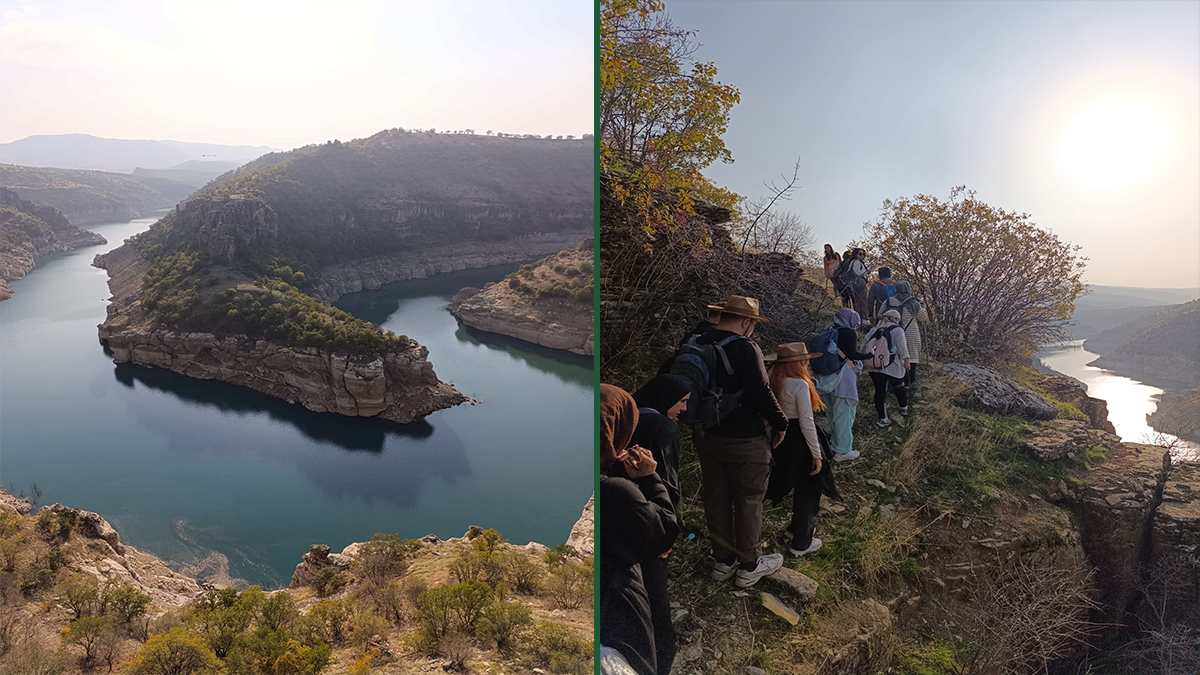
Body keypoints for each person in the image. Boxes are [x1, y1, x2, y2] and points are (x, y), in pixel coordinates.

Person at [690, 295, 788, 588]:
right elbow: (761, 390)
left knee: (716, 497)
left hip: (706, 434)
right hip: (745, 439)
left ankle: (723, 561)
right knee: (748, 499)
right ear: (747, 322)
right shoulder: (745, 347)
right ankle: (749, 565)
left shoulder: (698, 340)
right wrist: (781, 422)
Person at [600, 384, 680, 675]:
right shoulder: (615, 490)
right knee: (660, 643)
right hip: (622, 602)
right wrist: (649, 478)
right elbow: (665, 533)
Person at [630, 374, 690, 675]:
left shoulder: (630, 417)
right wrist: (670, 531)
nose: (684, 409)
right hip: (651, 523)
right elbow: (669, 480)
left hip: (627, 524)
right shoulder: (662, 426)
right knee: (657, 608)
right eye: (682, 402)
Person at [765, 343, 840, 557]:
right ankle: (802, 541)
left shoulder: (772, 380)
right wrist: (817, 454)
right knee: (809, 489)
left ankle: (794, 529)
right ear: (798, 363)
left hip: (780, 438)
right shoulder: (799, 385)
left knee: (789, 481)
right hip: (800, 440)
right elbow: (806, 422)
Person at [815, 308, 871, 461]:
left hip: (826, 378)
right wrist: (868, 355)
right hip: (843, 379)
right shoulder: (849, 333)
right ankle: (843, 450)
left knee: (832, 414)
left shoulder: (829, 331)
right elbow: (851, 354)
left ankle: (834, 443)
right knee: (844, 415)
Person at [863, 309, 910, 427]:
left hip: (874, 366)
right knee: (899, 386)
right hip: (893, 365)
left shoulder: (874, 330)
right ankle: (904, 408)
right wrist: (906, 360)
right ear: (893, 319)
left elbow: (864, 345)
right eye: (897, 319)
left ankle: (883, 419)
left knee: (880, 391)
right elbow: (902, 346)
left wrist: (863, 359)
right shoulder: (897, 330)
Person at [882, 281, 928, 392]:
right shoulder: (913, 303)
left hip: (893, 332)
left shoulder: (889, 301)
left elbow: (880, 315)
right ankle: (910, 382)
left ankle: (895, 382)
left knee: (894, 356)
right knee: (911, 357)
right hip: (911, 333)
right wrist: (924, 308)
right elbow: (923, 317)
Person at [842, 248, 869, 315]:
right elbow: (858, 273)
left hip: (854, 285)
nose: (862, 256)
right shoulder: (856, 262)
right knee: (863, 301)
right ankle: (864, 317)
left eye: (863, 254)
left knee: (857, 302)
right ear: (855, 254)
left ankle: (858, 316)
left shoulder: (855, 262)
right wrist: (866, 272)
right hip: (860, 284)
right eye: (860, 254)